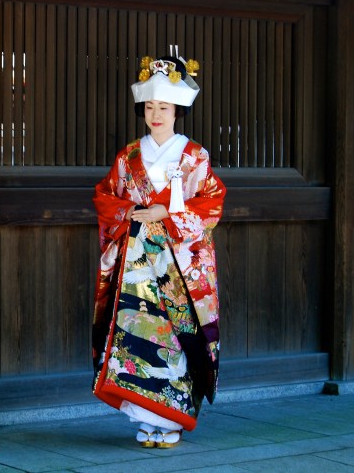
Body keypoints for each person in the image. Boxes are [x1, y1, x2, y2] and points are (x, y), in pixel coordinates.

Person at [91, 46, 226, 449]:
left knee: (172, 335)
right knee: (137, 335)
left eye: (164, 107)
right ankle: (145, 416)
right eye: (150, 106)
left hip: (178, 268)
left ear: (177, 111)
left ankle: (172, 418)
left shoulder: (194, 156)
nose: (155, 114)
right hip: (136, 264)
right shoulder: (129, 156)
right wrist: (133, 209)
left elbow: (212, 203)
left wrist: (164, 213)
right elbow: (105, 196)